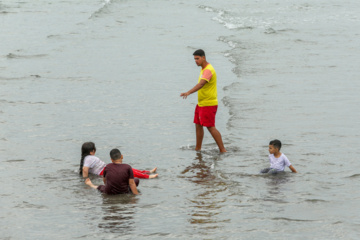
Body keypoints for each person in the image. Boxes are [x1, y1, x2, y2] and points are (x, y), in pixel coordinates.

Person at [180, 49, 227, 153]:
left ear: (203, 58)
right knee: (198, 124)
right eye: (194, 59)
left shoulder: (208, 70)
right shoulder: (203, 69)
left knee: (210, 127)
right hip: (201, 103)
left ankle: (223, 150)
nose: (195, 61)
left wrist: (188, 92)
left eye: (197, 58)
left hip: (208, 104)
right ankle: (198, 149)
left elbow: (201, 84)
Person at [79, 142, 158, 179]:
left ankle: (147, 172)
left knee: (130, 170)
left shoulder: (86, 159)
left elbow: (85, 169)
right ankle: (148, 176)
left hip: (105, 169)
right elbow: (85, 169)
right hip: (104, 171)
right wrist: (85, 179)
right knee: (129, 171)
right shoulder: (90, 158)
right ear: (91, 151)